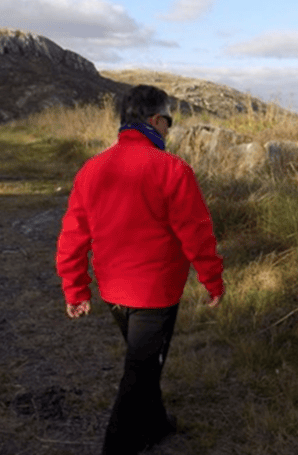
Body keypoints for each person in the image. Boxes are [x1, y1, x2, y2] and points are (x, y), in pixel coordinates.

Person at [56, 84, 224, 455]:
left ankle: (157, 425)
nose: (169, 129)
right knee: (139, 374)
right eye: (168, 121)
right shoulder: (172, 169)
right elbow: (196, 233)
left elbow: (72, 237)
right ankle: (117, 445)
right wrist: (212, 279)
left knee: (145, 363)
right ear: (155, 120)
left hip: (114, 292)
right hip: (155, 295)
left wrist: (76, 288)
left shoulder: (92, 169)